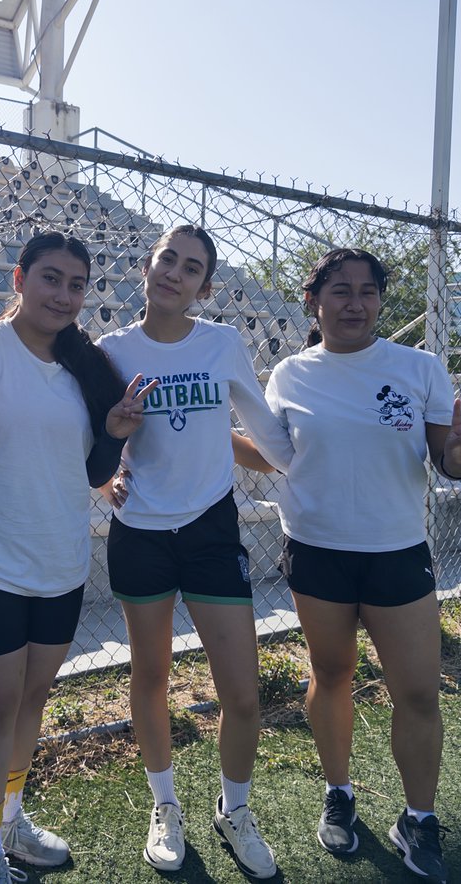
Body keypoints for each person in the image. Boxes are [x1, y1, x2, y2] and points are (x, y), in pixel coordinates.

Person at [0, 231, 157, 884]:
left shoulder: (84, 369)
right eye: (50, 278)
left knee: (30, 703)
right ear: (19, 279)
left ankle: (11, 818)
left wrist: (112, 436)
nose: (63, 294)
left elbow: (91, 472)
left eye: (76, 284)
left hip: (60, 564)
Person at [258, 247, 461, 883]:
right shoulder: (289, 375)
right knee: (330, 674)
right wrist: (213, 434)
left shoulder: (420, 368)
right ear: (315, 300)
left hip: (397, 552)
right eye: (340, 291)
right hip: (317, 550)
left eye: (367, 291)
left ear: (381, 300)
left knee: (417, 690)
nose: (354, 303)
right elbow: (277, 456)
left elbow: (449, 461)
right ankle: (340, 794)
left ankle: (419, 819)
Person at [96, 224, 295, 879]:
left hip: (211, 533)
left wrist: (310, 470)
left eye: (190, 268)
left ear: (204, 287)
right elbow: (91, 437)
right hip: (142, 537)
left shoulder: (221, 344)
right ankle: (165, 806)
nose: (175, 274)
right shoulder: (111, 351)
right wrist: (105, 476)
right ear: (147, 266)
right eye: (167, 260)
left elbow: (265, 431)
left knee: (241, 693)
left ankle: (234, 809)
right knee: (150, 679)